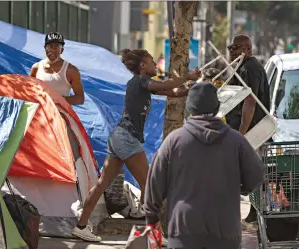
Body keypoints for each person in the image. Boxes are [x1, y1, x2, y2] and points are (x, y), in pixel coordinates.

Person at [71, 49, 201, 242]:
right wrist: (187, 75)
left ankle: (80, 226)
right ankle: (155, 236)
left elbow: (174, 92)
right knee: (149, 186)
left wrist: (190, 86)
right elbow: (169, 83)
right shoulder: (141, 81)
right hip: (127, 138)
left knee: (101, 185)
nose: (154, 64)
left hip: (119, 137)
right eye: (150, 61)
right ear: (142, 66)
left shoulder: (141, 84)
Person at [144, 82, 265, 249]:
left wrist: (151, 217)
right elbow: (257, 175)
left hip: (183, 232)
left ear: (189, 108)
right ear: (216, 108)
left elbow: (154, 182)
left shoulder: (174, 141)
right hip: (225, 231)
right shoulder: (236, 140)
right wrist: (241, 188)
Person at [226, 34, 271, 224]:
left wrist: (242, 134)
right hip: (250, 131)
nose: (231, 53)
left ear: (246, 48)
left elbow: (250, 102)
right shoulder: (245, 67)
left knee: (251, 172)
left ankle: (257, 211)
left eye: (233, 48)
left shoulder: (249, 69)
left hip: (252, 132)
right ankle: (255, 210)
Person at [30, 32, 85, 105]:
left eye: (56, 46)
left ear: (62, 50)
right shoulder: (36, 67)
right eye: (49, 46)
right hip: (40, 114)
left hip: (60, 115)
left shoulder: (71, 70)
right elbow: (30, 92)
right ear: (45, 48)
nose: (52, 50)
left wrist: (56, 100)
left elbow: (80, 99)